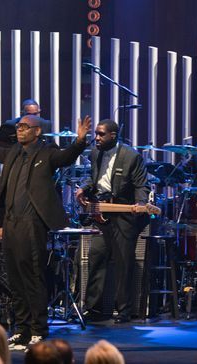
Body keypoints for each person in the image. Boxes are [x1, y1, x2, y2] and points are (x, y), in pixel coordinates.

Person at [0, 113, 91, 351]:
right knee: (14, 278)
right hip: (11, 222)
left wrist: (79, 141)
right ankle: (22, 330)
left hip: (32, 223)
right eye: (18, 126)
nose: (20, 130)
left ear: (37, 131)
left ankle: (38, 330)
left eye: (25, 126)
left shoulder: (46, 153)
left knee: (32, 276)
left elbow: (66, 157)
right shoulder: (14, 152)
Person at [75, 119, 150, 323]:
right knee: (96, 256)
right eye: (96, 134)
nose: (96, 138)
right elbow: (95, 179)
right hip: (101, 212)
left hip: (123, 214)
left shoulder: (131, 156)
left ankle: (124, 310)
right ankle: (94, 309)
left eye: (101, 134)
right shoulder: (95, 153)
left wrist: (141, 203)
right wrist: (83, 187)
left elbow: (142, 185)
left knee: (123, 263)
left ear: (113, 136)